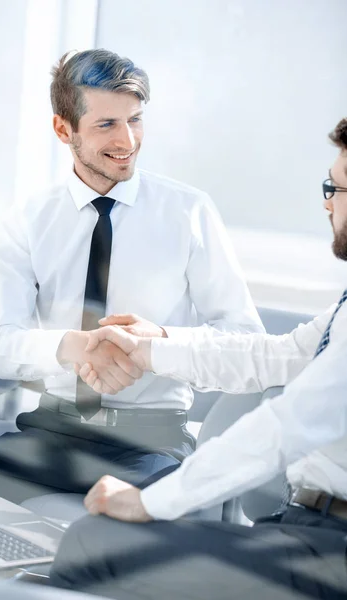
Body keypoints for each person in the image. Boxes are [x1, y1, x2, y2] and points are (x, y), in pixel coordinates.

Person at [49, 119, 347, 600]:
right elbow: (275, 355)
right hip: (305, 528)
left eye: (335, 187)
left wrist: (151, 502)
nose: (326, 201)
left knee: (92, 544)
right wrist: (150, 346)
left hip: (330, 554)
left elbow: (287, 424)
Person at [0, 49, 262, 503]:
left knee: (110, 536)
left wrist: (153, 348)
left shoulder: (189, 211)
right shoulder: (29, 219)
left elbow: (245, 340)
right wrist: (71, 347)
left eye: (135, 120)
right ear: (64, 129)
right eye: (107, 125)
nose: (128, 140)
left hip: (151, 444)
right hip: (51, 432)